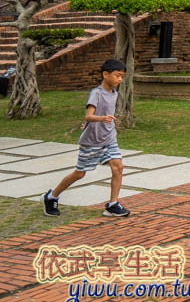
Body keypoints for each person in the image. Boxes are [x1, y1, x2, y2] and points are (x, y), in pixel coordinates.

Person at [43, 59, 131, 217]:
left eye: (122, 76)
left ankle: (112, 204)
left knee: (118, 167)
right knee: (79, 173)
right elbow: (89, 116)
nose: (120, 79)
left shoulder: (115, 94)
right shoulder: (96, 93)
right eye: (117, 75)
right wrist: (101, 119)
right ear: (105, 74)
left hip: (109, 138)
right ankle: (51, 196)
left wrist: (104, 122)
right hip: (91, 142)